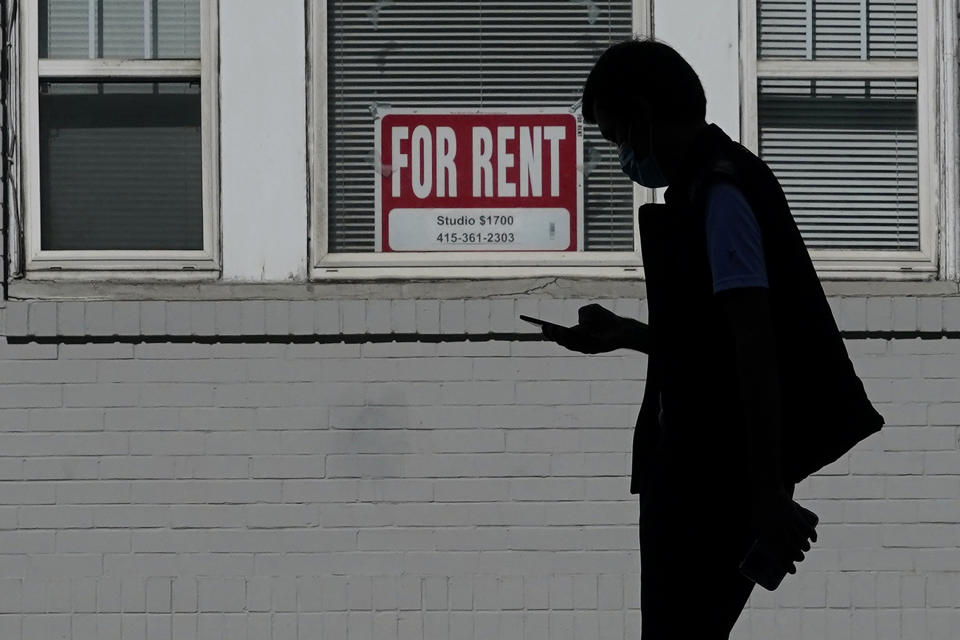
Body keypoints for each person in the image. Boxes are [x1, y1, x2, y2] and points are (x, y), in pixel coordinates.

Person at [540, 38, 884, 638]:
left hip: (712, 483)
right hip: (707, 472)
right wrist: (627, 334)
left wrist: (767, 496)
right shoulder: (710, 188)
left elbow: (756, 349)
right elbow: (718, 345)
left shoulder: (720, 195)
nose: (622, 155)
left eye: (618, 136)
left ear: (644, 117)